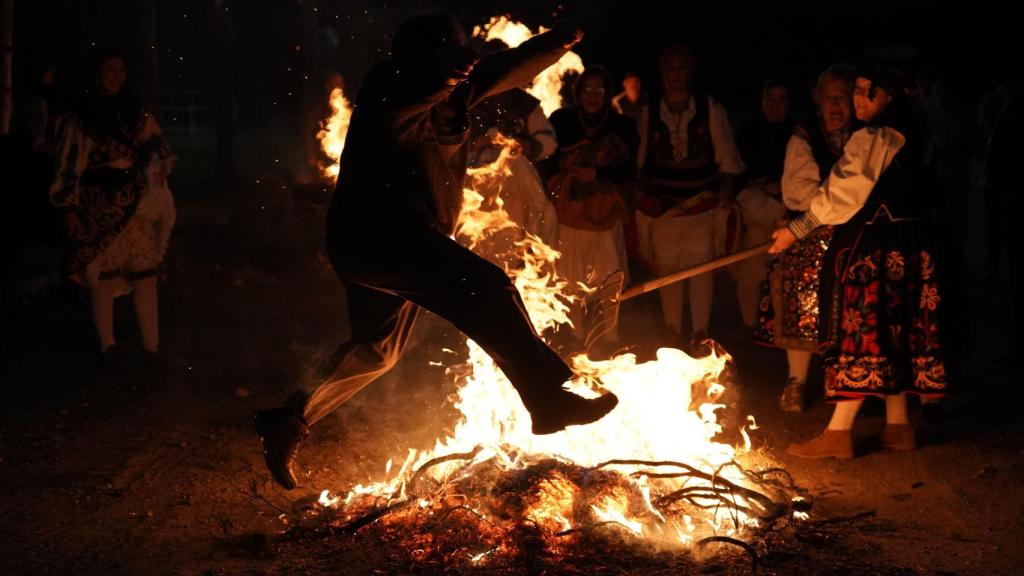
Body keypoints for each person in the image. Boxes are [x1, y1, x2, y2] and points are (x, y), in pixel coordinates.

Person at [254, 13, 618, 490]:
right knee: (487, 286)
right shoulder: (390, 87)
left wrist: (560, 40)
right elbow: (445, 72)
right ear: (421, 57)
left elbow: (505, 67)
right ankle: (547, 396)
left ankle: (289, 418)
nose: (463, 66)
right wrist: (462, 59)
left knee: (376, 350)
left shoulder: (453, 89)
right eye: (450, 54)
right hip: (376, 238)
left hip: (402, 241)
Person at [770, 63, 946, 458]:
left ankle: (838, 432)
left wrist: (796, 230)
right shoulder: (915, 126)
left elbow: (844, 194)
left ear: (892, 95)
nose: (859, 99)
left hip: (877, 245)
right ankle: (898, 425)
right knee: (893, 330)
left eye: (870, 91)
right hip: (910, 244)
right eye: (858, 90)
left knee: (864, 331)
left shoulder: (877, 134)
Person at [49, 48, 176, 373]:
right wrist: (69, 208)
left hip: (135, 203)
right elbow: (68, 164)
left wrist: (159, 165)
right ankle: (108, 346)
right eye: (110, 69)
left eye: (121, 69)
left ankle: (152, 348)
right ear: (98, 72)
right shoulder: (83, 114)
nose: (116, 75)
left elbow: (160, 146)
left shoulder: (136, 109)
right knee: (103, 277)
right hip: (97, 203)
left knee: (145, 274)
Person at [755, 64, 857, 412]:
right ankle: (796, 382)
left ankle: (845, 383)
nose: (836, 106)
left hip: (856, 233)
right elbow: (797, 193)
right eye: (830, 98)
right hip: (810, 230)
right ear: (818, 99)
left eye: (843, 98)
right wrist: (829, 211)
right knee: (799, 293)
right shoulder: (806, 134)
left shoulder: (866, 136)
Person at [633, 45, 745, 354]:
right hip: (664, 209)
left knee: (699, 268)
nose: (675, 76)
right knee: (668, 270)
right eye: (670, 70)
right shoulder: (648, 111)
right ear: (662, 73)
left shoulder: (709, 109)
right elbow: (638, 160)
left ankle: (700, 333)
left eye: (681, 69)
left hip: (701, 204)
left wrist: (725, 188)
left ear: (690, 72)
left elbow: (728, 159)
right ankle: (672, 332)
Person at [542, 65, 638, 347]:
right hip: (570, 211)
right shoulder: (562, 120)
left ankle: (609, 334)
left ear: (607, 94)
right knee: (571, 275)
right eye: (588, 90)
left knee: (610, 274)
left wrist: (598, 175)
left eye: (599, 90)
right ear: (578, 92)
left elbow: (629, 168)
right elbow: (547, 160)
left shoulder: (621, 126)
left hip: (605, 211)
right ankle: (576, 335)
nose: (593, 96)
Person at [733, 78, 794, 335]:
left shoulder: (798, 134)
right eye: (770, 99)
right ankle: (749, 327)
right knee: (751, 265)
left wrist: (781, 188)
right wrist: (757, 185)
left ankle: (783, 329)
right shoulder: (748, 134)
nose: (775, 105)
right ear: (762, 102)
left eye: (781, 100)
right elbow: (737, 172)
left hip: (788, 210)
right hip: (757, 210)